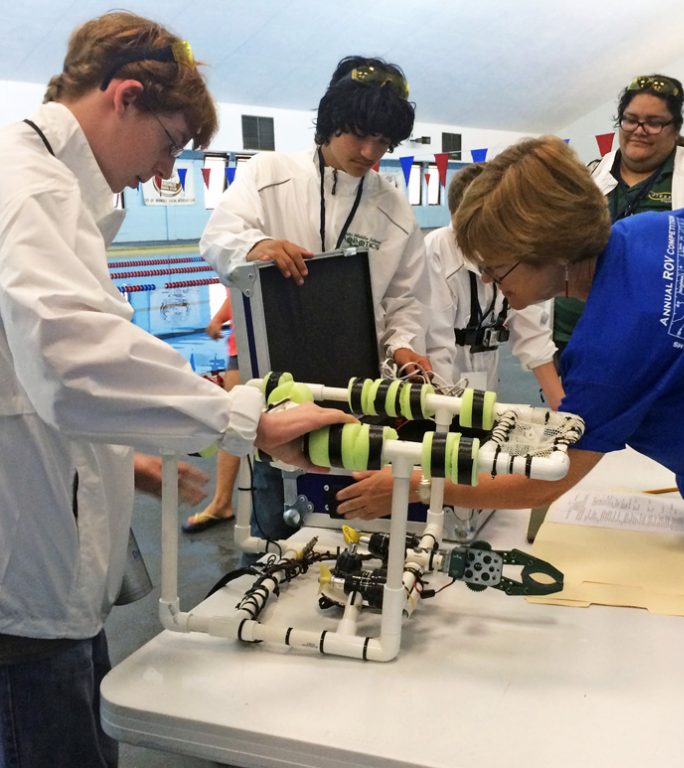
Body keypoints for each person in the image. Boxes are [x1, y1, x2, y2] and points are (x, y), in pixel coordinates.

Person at [337, 135, 684, 768]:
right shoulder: (655, 230)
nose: (489, 280)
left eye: (499, 266)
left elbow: (548, 479)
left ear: (548, 248)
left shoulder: (614, 342)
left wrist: (414, 486)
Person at [0, 12, 353, 768]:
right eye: (170, 145)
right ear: (124, 96)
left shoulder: (41, 183)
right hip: (22, 598)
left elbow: (24, 374)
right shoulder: (34, 190)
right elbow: (73, 363)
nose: (165, 174)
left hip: (44, 571)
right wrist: (243, 418)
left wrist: (126, 458)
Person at [197, 55, 437, 537]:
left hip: (356, 391)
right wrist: (255, 245)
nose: (371, 151)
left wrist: (405, 343)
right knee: (276, 512)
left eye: (384, 141)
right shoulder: (270, 175)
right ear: (329, 122)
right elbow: (217, 236)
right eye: (359, 134)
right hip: (275, 390)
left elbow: (405, 299)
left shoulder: (393, 210)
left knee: (345, 513)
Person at [553, 73, 684, 358]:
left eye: (654, 122)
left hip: (653, 349)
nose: (639, 129)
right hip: (574, 335)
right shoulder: (593, 173)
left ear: (675, 128)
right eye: (630, 119)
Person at [425, 162, 563, 408]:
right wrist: (444, 414)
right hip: (439, 380)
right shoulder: (437, 250)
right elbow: (437, 348)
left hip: (486, 371)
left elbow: (534, 335)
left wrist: (561, 407)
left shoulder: (515, 250)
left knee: (481, 427)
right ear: (457, 218)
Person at [183, 291, 242, 532]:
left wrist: (219, 317)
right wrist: (220, 317)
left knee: (234, 422)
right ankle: (222, 501)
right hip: (242, 343)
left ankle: (222, 502)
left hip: (249, 344)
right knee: (236, 421)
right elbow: (238, 288)